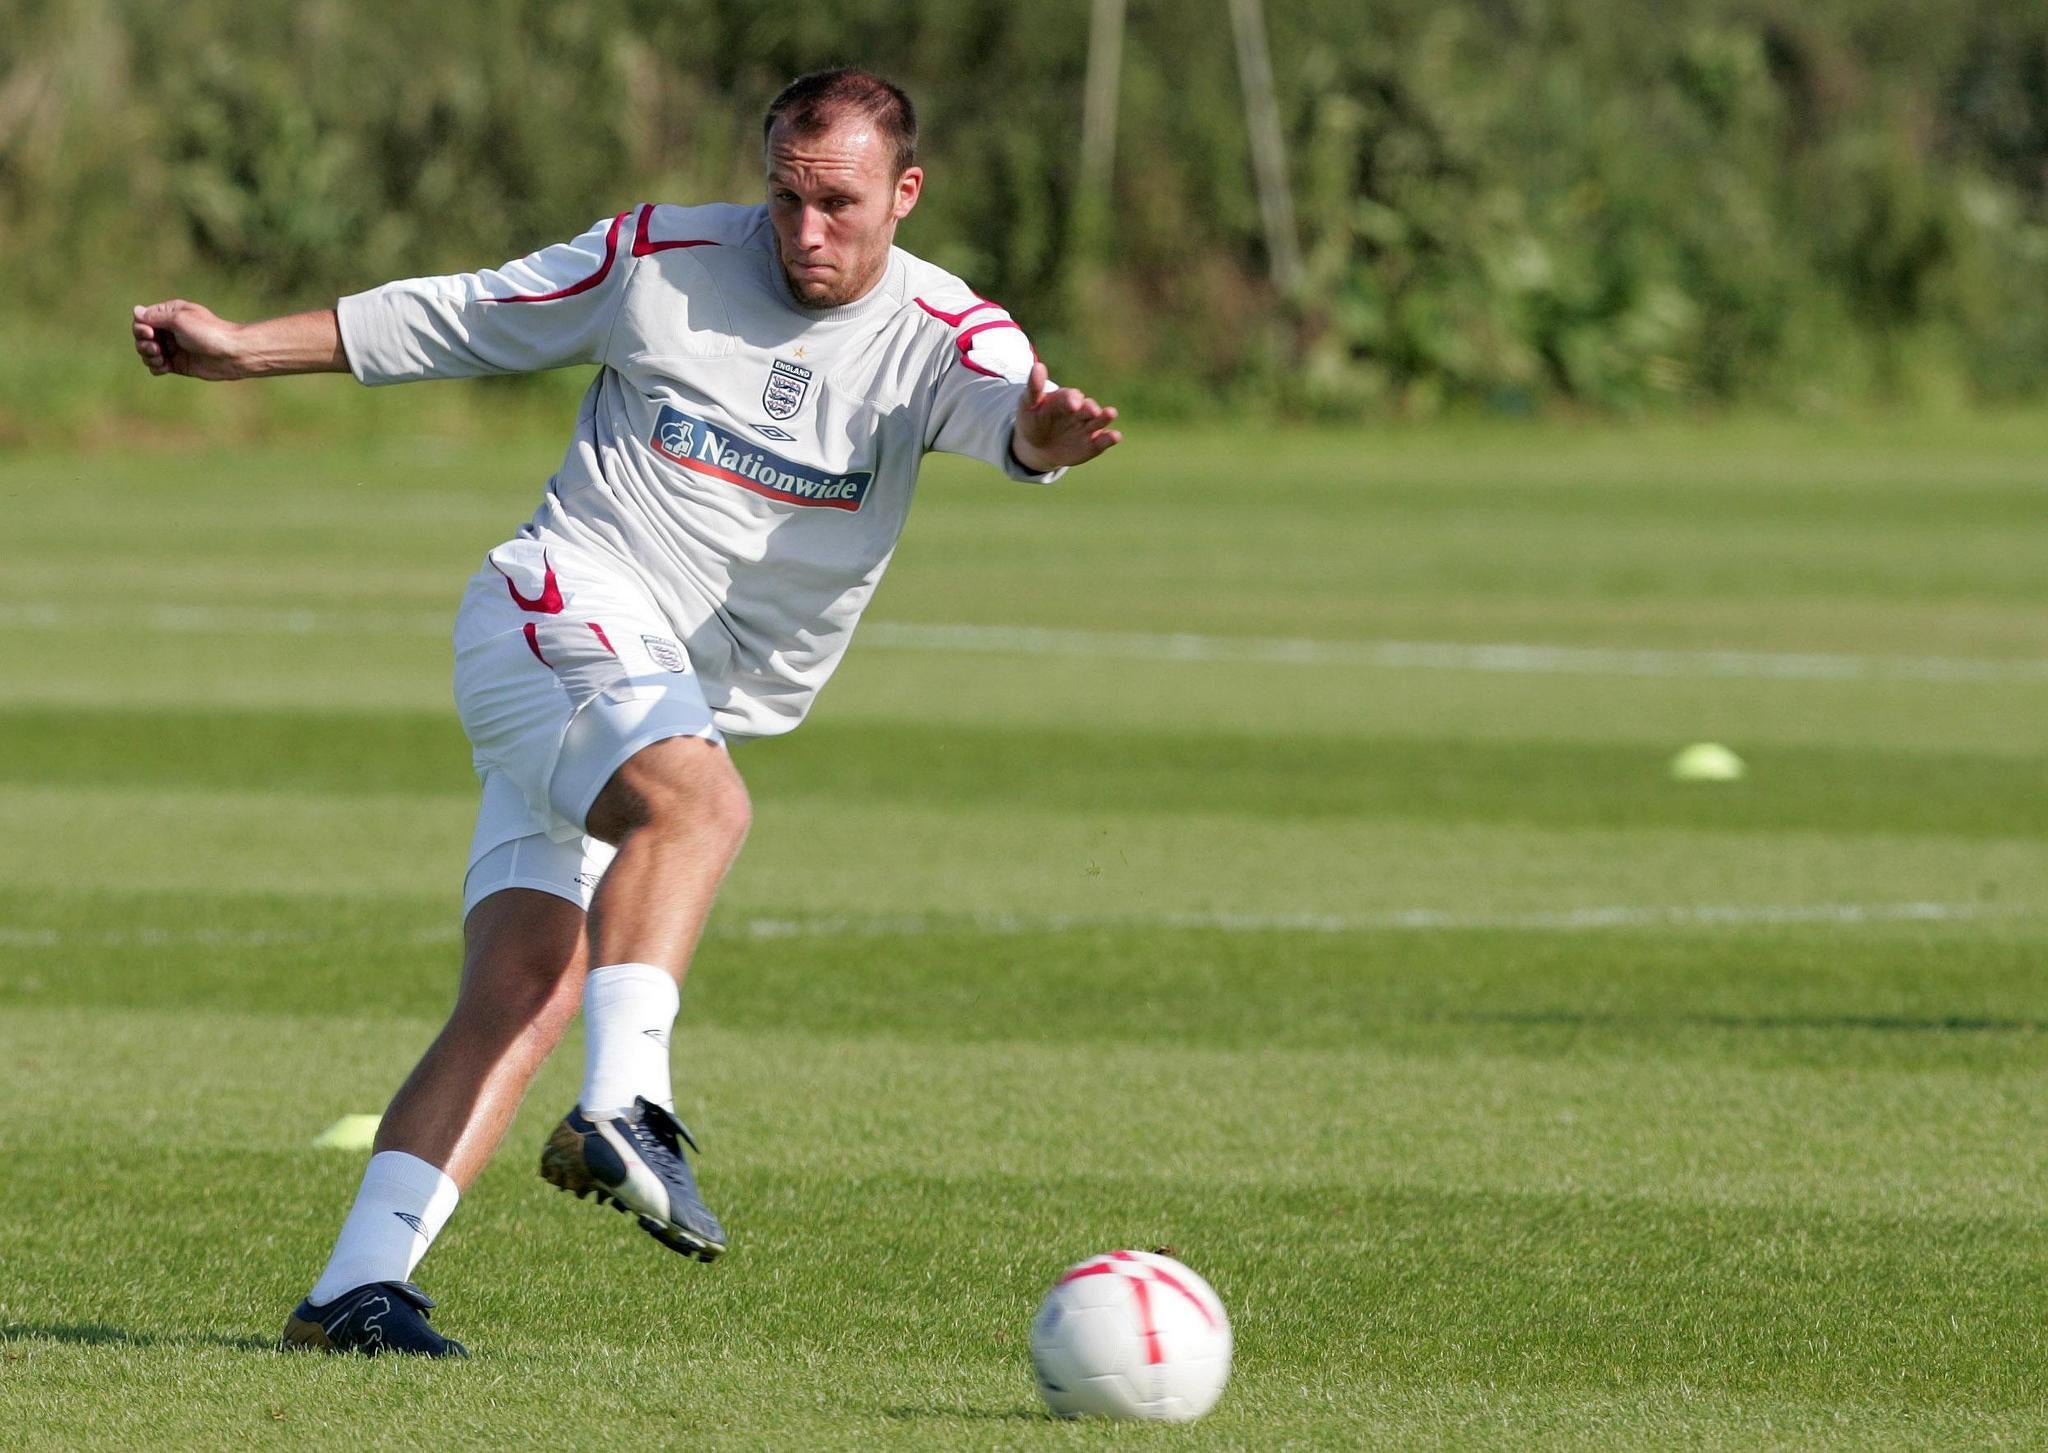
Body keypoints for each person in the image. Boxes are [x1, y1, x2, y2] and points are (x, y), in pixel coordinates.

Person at [130, 68, 1121, 1358]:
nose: (807, 233)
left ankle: (352, 1294)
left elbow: (1013, 415)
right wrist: (247, 347)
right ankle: (632, 1107)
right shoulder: (658, 256)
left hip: (652, 696)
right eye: (786, 197)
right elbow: (468, 314)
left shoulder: (949, 333)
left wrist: (1047, 437)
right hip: (555, 614)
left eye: (841, 204)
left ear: (905, 195)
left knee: (526, 990)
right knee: (699, 804)